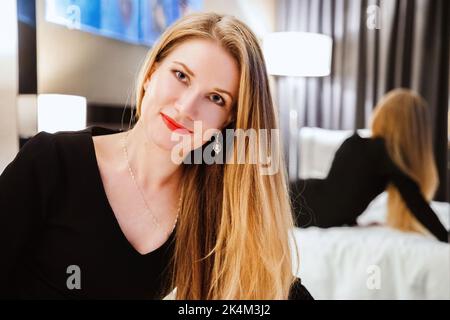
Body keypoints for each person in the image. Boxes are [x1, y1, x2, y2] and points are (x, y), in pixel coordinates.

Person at [0, 13, 312, 300]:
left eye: (215, 98)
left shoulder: (212, 204)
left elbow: (276, 285)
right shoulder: (51, 162)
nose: (187, 107)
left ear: (228, 120)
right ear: (151, 73)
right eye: (181, 76)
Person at [290, 89, 448, 243]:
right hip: (303, 203)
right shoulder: (384, 155)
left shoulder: (360, 145)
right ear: (414, 130)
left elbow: (340, 196)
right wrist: (445, 236)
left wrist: (350, 220)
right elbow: (417, 204)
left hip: (303, 196)